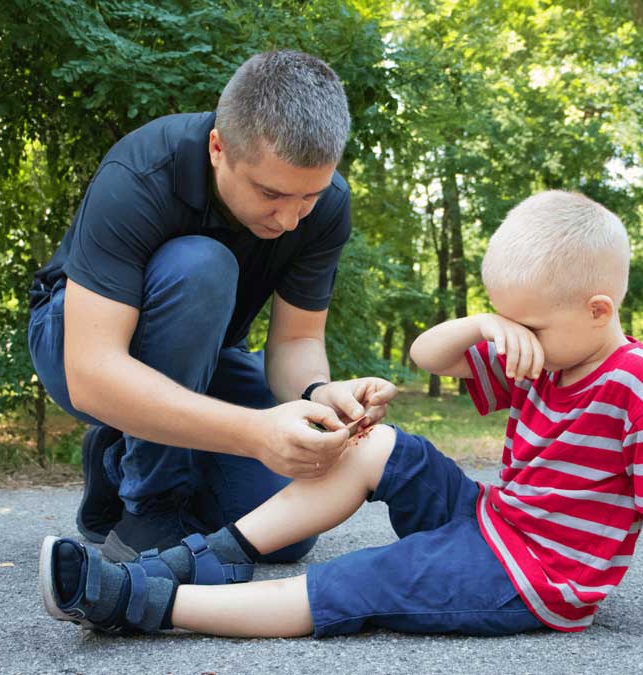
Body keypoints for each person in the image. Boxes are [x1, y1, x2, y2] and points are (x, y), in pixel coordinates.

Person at [37, 191, 643, 638]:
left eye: (529, 326)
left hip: (533, 576)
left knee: (361, 580)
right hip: (493, 520)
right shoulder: (544, 351)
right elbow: (430, 354)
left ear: (598, 310)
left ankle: (147, 602)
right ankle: (210, 556)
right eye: (507, 324)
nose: (516, 341)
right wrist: (488, 324)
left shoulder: (637, 385)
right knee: (378, 443)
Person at [27, 50, 396, 564]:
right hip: (74, 339)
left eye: (307, 197)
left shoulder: (327, 205)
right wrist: (252, 432)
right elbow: (92, 371)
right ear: (218, 148)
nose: (290, 219)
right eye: (270, 193)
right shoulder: (141, 173)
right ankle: (150, 504)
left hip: (208, 355)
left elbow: (296, 341)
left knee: (284, 532)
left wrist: (321, 394)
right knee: (201, 266)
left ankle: (117, 463)